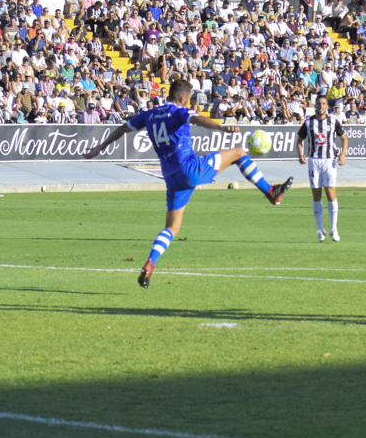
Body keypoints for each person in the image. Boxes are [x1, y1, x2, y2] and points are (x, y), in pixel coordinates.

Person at [84, 80, 293, 288]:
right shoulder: (178, 111)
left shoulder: (149, 114)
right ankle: (270, 191)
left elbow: (122, 129)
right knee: (239, 152)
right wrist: (222, 128)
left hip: (171, 177)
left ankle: (150, 264)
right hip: (190, 168)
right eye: (190, 99)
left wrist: (99, 148)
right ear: (183, 98)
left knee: (172, 228)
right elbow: (198, 119)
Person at [297, 96, 348, 242]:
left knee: (331, 193)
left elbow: (344, 138)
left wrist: (343, 155)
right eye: (319, 103)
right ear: (315, 105)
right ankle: (320, 230)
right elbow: (299, 140)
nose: (321, 106)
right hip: (314, 161)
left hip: (329, 160)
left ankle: (333, 228)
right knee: (316, 195)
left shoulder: (333, 121)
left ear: (327, 106)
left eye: (324, 103)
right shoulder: (308, 122)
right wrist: (300, 154)